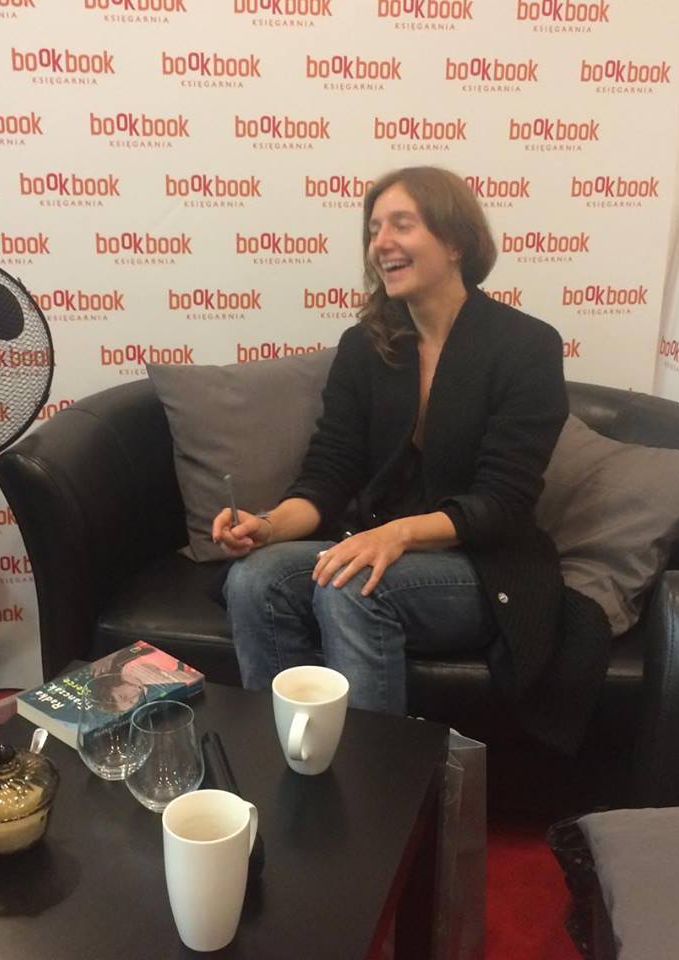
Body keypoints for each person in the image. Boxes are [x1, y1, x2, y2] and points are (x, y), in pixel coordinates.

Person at [212, 166, 582, 736]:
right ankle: (286, 754)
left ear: (455, 241)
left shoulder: (526, 345)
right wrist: (267, 525)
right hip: (378, 548)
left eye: (401, 225)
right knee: (254, 578)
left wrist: (397, 534)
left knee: (350, 584)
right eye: (374, 229)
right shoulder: (365, 345)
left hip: (483, 567)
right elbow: (330, 473)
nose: (380, 243)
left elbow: (502, 504)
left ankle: (374, 781)